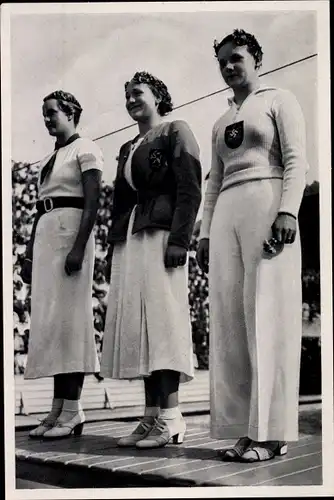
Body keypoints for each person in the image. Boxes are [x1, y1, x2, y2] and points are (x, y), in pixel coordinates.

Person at [196, 29, 308, 462]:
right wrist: (205, 232)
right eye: (221, 61)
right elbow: (213, 182)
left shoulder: (280, 99)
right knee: (230, 320)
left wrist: (289, 211)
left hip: (268, 203)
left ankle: (272, 432)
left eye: (236, 57)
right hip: (226, 212)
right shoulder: (221, 121)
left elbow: (297, 158)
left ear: (257, 58)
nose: (228, 67)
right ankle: (244, 428)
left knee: (267, 313)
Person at [100, 71, 202, 449]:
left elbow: (190, 185)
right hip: (132, 239)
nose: (130, 99)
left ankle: (172, 419)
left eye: (137, 92)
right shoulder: (129, 147)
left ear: (158, 95)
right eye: (125, 94)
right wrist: (115, 246)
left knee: (163, 323)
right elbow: (121, 201)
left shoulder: (176, 129)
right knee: (143, 327)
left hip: (162, 236)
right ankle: (150, 417)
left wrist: (180, 239)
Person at [21, 90, 104, 439]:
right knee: (53, 324)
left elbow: (93, 200)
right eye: (44, 113)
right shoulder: (50, 158)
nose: (47, 118)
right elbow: (41, 207)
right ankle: (59, 409)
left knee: (70, 322)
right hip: (46, 235)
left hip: (71, 234)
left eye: (52, 112)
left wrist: (79, 247)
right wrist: (27, 253)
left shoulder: (86, 149)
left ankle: (73, 409)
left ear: (71, 113)